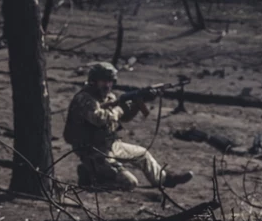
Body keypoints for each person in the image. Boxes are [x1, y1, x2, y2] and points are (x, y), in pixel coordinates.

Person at [63, 62, 192, 191]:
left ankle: (164, 180)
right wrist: (119, 109)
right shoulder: (84, 98)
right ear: (93, 81)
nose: (107, 85)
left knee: (142, 154)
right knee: (129, 183)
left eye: (110, 81)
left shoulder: (109, 97)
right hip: (92, 150)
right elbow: (100, 119)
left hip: (109, 144)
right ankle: (90, 177)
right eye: (103, 81)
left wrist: (138, 103)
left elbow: (123, 118)